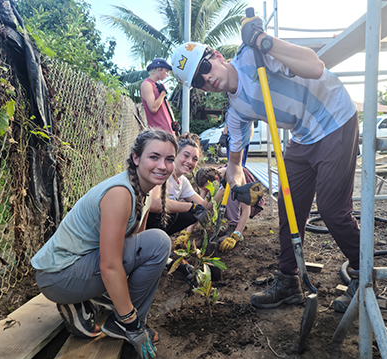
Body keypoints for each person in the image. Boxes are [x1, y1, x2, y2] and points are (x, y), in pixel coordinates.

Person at [171, 15, 360, 313]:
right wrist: (238, 187)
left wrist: (262, 41)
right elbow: (234, 164)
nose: (206, 79)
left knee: (332, 210)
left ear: (217, 57)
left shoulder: (253, 55)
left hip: (334, 118)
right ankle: (288, 281)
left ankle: (364, 276)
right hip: (303, 136)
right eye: (198, 81)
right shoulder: (235, 112)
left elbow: (315, 66)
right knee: (288, 205)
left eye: (205, 67)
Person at [31, 129, 178, 359]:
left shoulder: (144, 191)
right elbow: (111, 265)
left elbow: (134, 246)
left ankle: (90, 302)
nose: (162, 165)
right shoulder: (120, 194)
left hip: (77, 266)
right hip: (58, 277)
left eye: (169, 159)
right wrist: (131, 322)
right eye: (154, 157)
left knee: (155, 244)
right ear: (136, 158)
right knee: (159, 242)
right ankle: (120, 323)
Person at [146, 132, 209, 244]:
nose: (190, 161)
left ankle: (158, 242)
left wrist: (220, 188)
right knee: (174, 213)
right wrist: (191, 206)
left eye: (195, 159)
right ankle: (152, 243)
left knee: (192, 214)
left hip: (159, 222)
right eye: (186, 155)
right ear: (175, 154)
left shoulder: (183, 181)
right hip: (142, 221)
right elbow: (154, 204)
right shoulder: (161, 171)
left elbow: (204, 206)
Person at [195, 165, 265, 252]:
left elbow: (247, 210)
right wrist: (188, 231)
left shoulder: (236, 175)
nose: (206, 191)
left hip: (251, 202)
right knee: (215, 197)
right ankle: (231, 224)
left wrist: (236, 235)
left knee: (230, 190)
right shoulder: (209, 176)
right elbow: (201, 206)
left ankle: (234, 226)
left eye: (207, 189)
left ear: (217, 179)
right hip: (231, 199)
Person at [141, 58, 175, 134]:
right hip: (159, 134)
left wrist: (173, 121)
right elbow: (153, 108)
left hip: (168, 132)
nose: (167, 74)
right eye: (166, 71)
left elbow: (165, 108)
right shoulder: (147, 84)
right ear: (158, 69)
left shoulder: (159, 85)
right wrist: (163, 94)